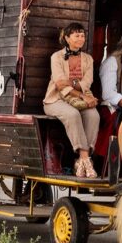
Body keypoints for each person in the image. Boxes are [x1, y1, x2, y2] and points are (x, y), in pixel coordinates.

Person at [43, 22, 100, 179]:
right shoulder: (56, 57)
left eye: (82, 35)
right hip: (55, 100)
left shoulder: (88, 59)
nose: (81, 39)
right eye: (77, 35)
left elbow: (87, 82)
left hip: (80, 98)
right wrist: (81, 94)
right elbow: (60, 84)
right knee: (73, 114)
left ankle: (82, 161)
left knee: (94, 115)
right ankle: (84, 159)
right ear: (67, 38)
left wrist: (75, 85)